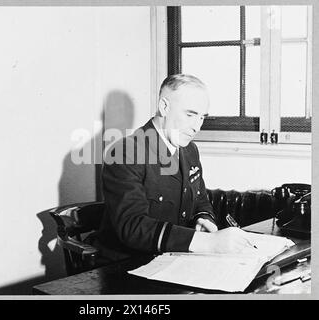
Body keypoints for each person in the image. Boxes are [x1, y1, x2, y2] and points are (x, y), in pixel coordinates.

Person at [98, 74, 256, 256]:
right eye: (190, 115)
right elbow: (132, 226)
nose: (197, 127)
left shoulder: (189, 150)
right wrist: (207, 242)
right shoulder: (127, 152)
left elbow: (200, 200)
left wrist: (203, 218)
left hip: (175, 258)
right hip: (127, 265)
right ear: (164, 107)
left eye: (202, 118)